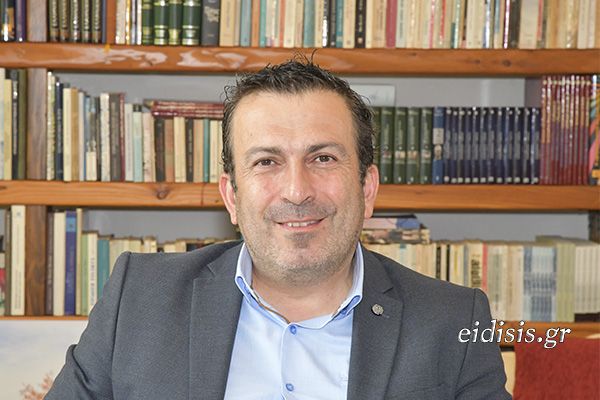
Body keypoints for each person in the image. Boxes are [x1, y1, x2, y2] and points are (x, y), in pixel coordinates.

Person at [46, 59, 510, 399]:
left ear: (367, 188)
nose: (296, 191)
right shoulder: (139, 298)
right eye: (267, 161)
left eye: (322, 158)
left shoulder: (453, 320)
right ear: (231, 196)